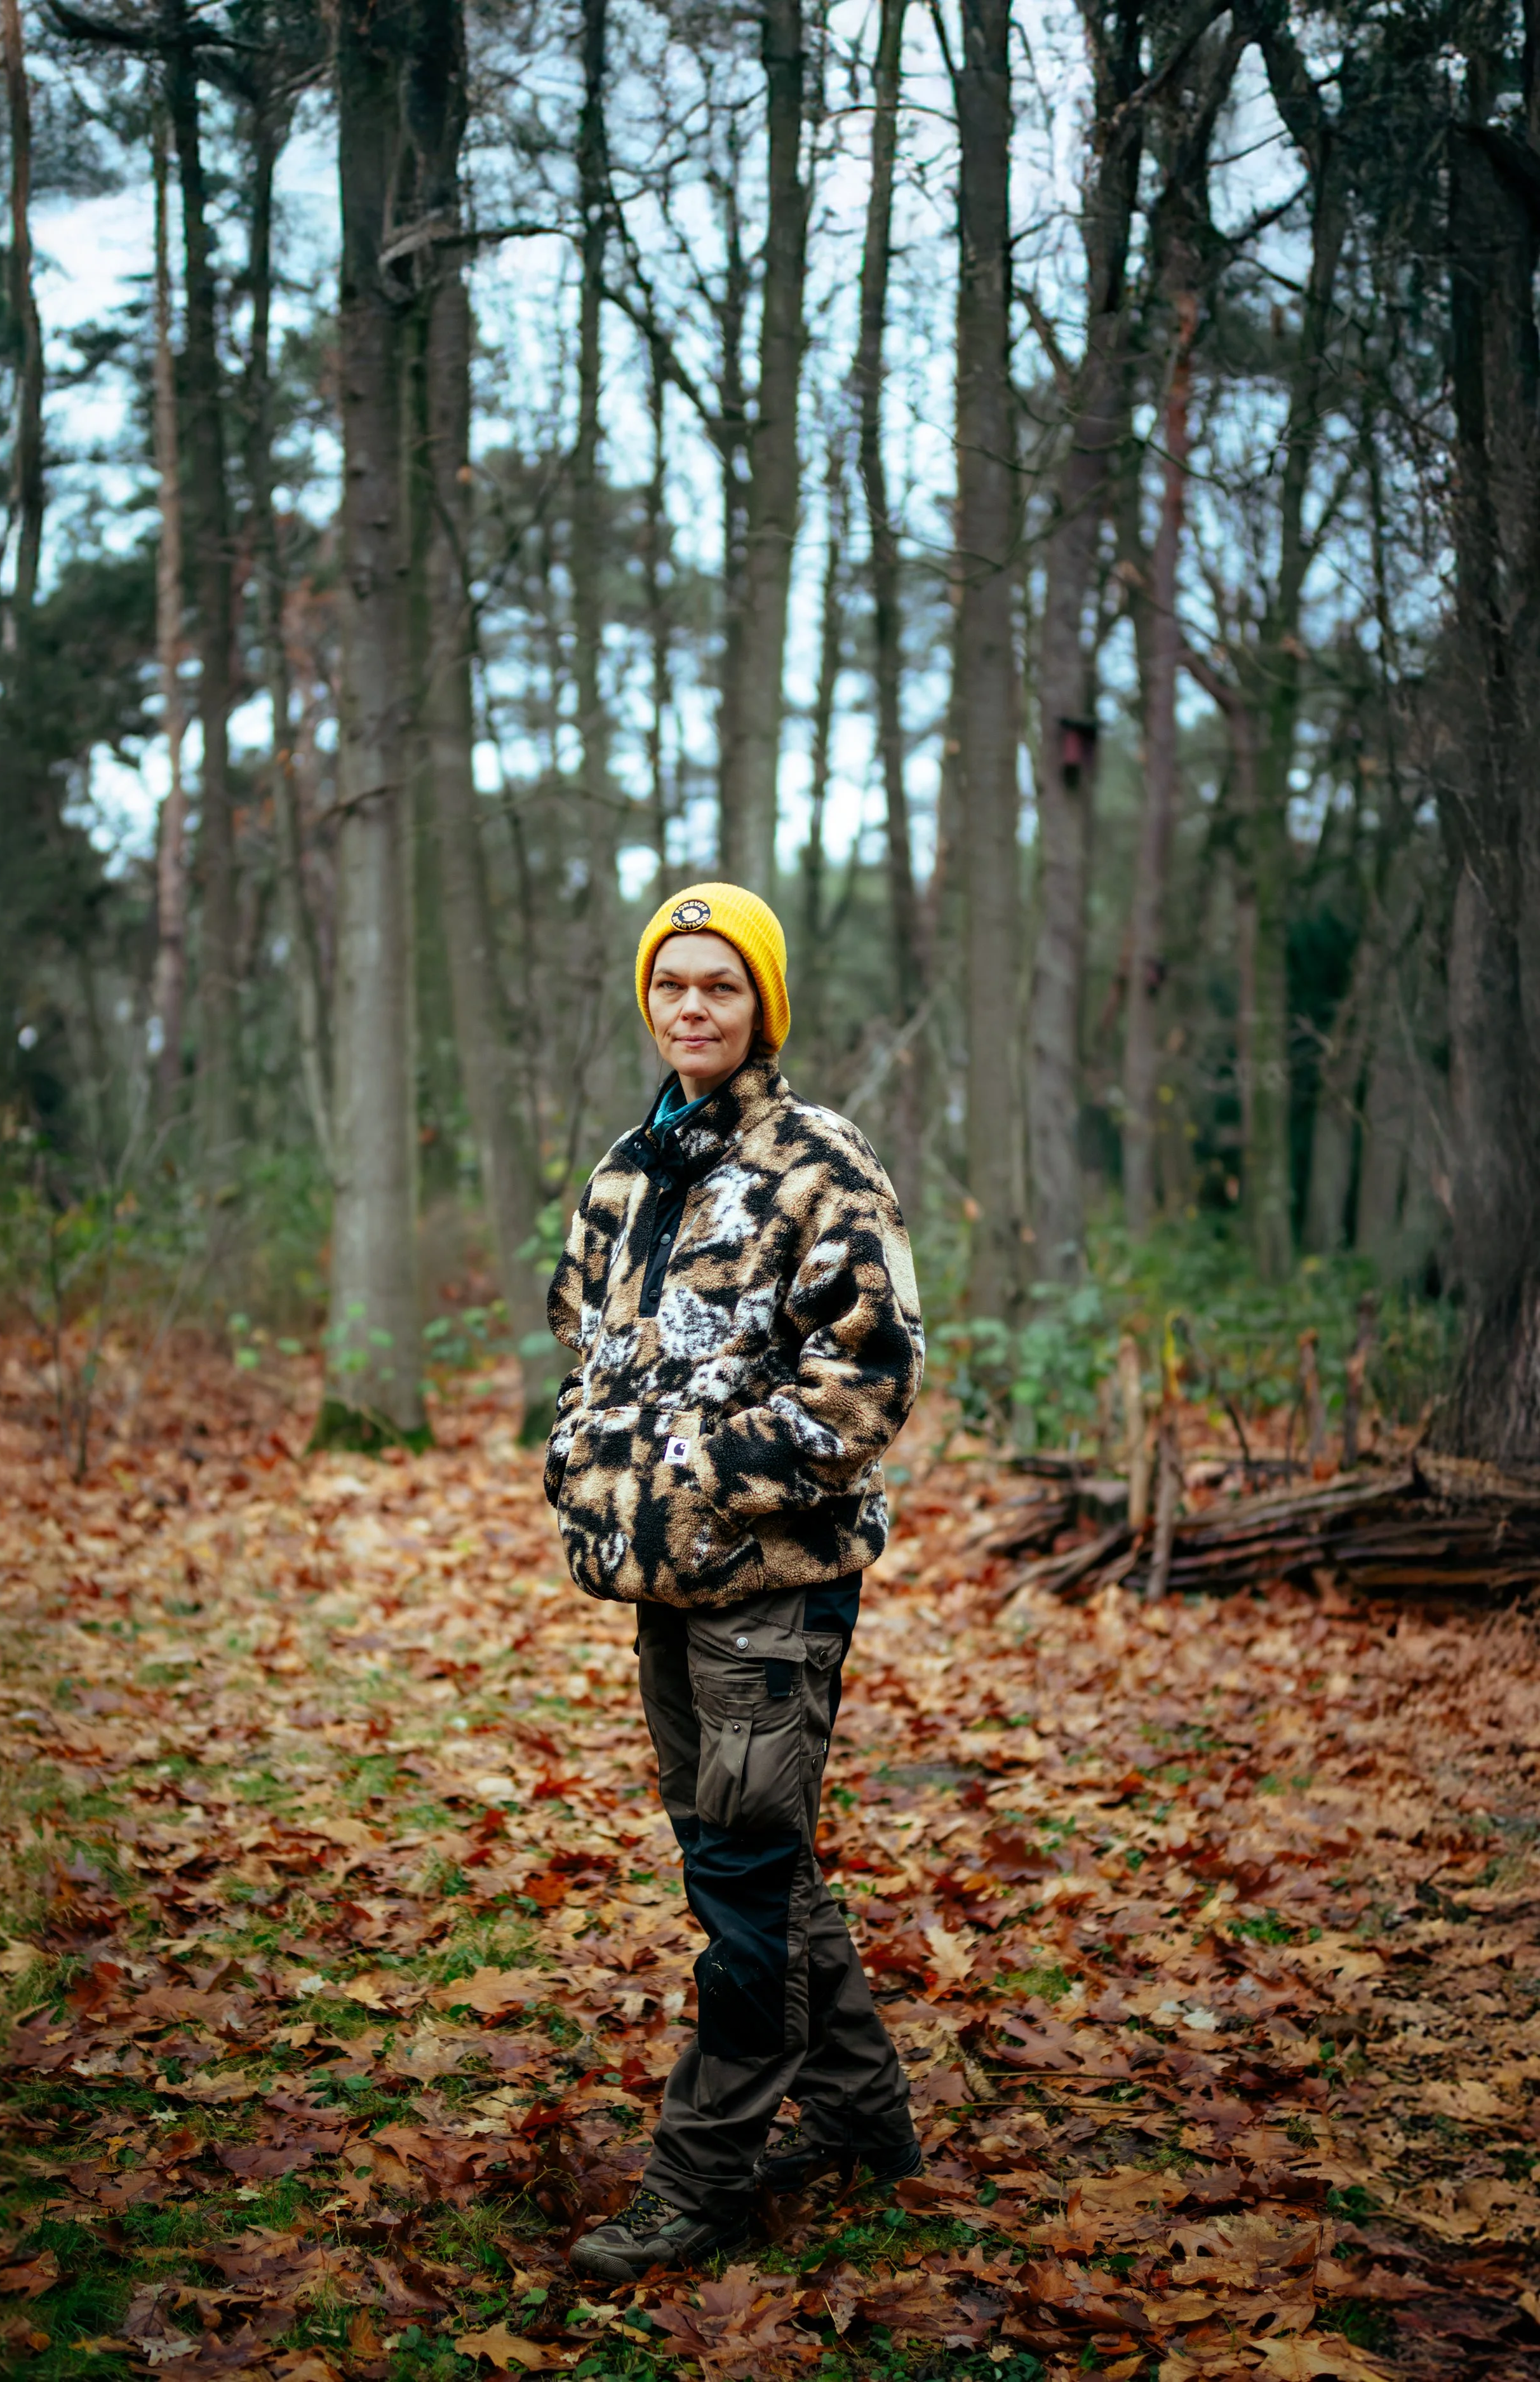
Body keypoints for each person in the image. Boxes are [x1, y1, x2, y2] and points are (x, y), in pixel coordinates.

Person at [541, 880, 926, 2283]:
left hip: (774, 1586)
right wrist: (591, 1472)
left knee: (744, 1890)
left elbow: (867, 1382)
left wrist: (701, 1474)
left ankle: (700, 2181)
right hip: (662, 1584)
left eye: (717, 984)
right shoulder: (627, 1172)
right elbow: (585, 1346)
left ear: (761, 1003)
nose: (688, 1006)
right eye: (670, 982)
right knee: (747, 1865)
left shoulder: (818, 1162)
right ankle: (867, 2117)